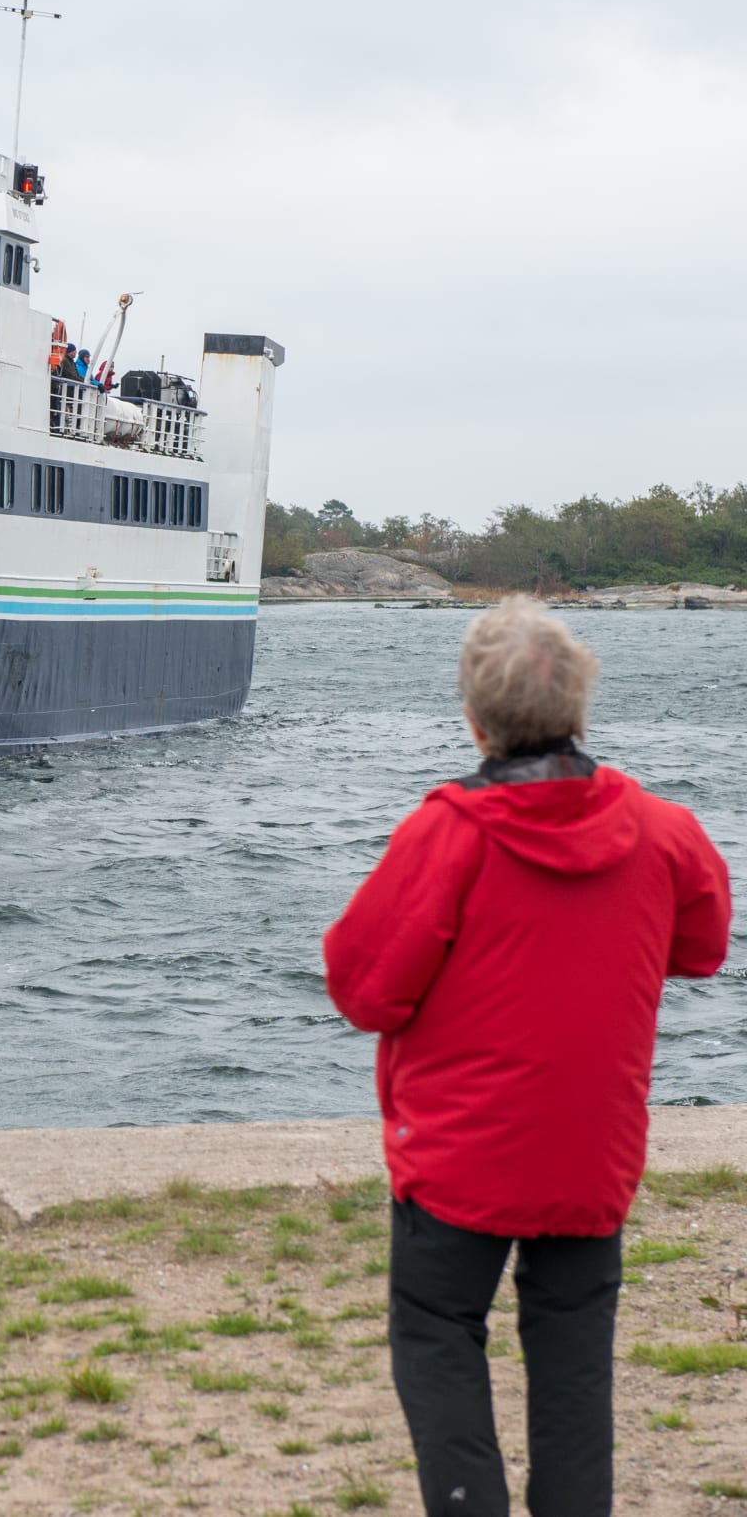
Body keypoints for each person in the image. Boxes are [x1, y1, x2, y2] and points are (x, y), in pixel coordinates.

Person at [324, 597, 730, 1517]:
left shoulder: (450, 835)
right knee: (574, 1357)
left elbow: (365, 991)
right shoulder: (662, 832)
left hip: (460, 1156)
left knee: (436, 1334)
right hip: (591, 1151)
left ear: (474, 717)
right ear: (581, 710)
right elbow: (703, 943)